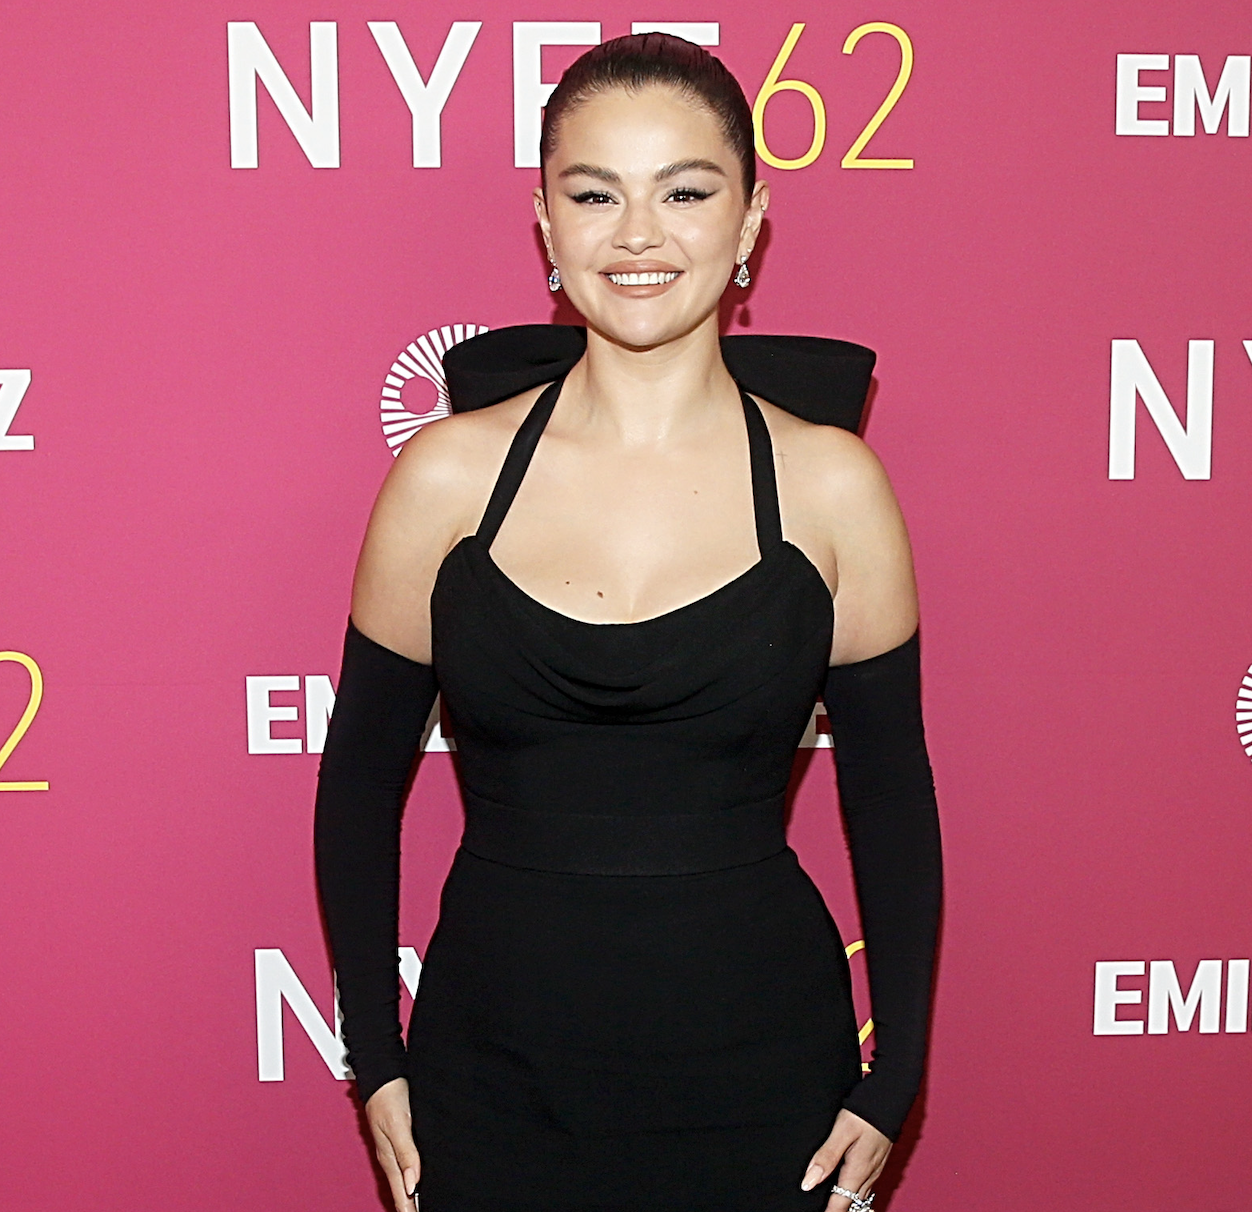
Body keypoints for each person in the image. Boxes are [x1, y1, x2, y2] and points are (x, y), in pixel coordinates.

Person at [314, 32, 941, 1212]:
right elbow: (355, 785)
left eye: (686, 192)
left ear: (751, 219)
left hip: (766, 1082)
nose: (638, 235)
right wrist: (376, 1057)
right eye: (593, 193)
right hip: (491, 1078)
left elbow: (891, 795)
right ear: (544, 225)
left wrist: (894, 1070)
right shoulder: (445, 480)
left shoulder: (832, 486)